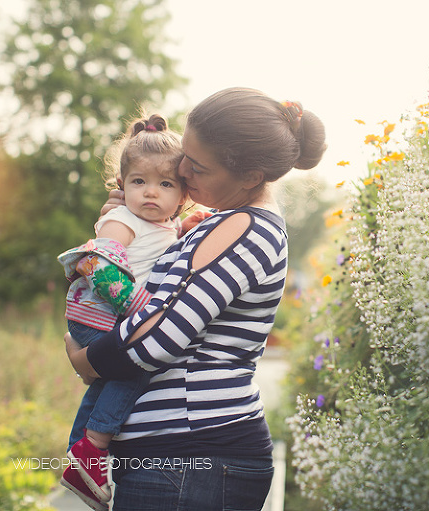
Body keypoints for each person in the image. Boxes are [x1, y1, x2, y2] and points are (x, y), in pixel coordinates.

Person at [64, 87, 326, 511]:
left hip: (192, 457)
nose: (182, 170)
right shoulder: (222, 222)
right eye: (184, 154)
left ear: (251, 177)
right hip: (179, 459)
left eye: (197, 165)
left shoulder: (246, 229)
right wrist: (126, 224)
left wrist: (86, 363)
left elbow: (159, 336)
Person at [56, 113, 200, 510]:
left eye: (164, 184)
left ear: (182, 195)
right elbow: (101, 267)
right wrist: (140, 309)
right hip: (95, 317)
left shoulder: (163, 226)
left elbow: (159, 255)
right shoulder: (120, 221)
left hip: (107, 319)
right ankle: (94, 447)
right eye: (139, 182)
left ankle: (78, 453)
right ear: (122, 186)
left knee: (106, 383)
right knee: (136, 366)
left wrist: (185, 229)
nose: (151, 193)